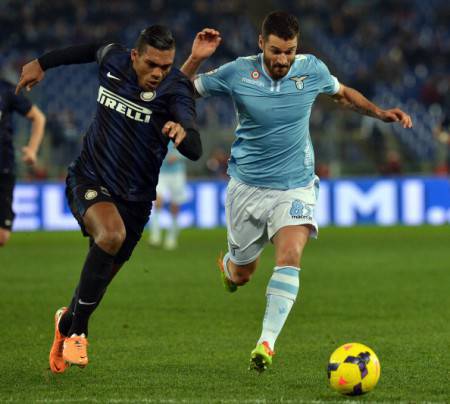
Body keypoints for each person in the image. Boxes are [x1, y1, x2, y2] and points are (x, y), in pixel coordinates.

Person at [181, 12, 413, 372]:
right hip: (247, 188)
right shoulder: (237, 72)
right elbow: (181, 90)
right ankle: (229, 267)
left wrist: (380, 113)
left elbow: (343, 94)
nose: (283, 60)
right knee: (242, 273)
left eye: (289, 52)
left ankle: (266, 343)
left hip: (296, 186)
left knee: (290, 255)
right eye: (276, 51)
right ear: (261, 44)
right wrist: (195, 58)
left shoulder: (312, 69)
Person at [16, 25, 202, 373]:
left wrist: (182, 134)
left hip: (136, 200)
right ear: (135, 56)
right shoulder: (114, 60)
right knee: (111, 235)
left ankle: (66, 324)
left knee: (98, 282)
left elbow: (195, 145)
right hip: (89, 177)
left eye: (166, 66)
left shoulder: (175, 89)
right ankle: (79, 332)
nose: (158, 73)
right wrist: (41, 63)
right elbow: (88, 49)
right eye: (151, 64)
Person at [0, 78, 46, 246]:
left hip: (3, 168)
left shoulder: (6, 90)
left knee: (2, 236)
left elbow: (38, 117)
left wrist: (32, 150)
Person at [149, 142, 187, 250]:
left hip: (177, 173)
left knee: (175, 206)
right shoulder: (160, 129)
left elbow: (192, 152)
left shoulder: (182, 130)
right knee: (158, 201)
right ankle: (155, 235)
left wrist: (177, 157)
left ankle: (172, 237)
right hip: (161, 172)